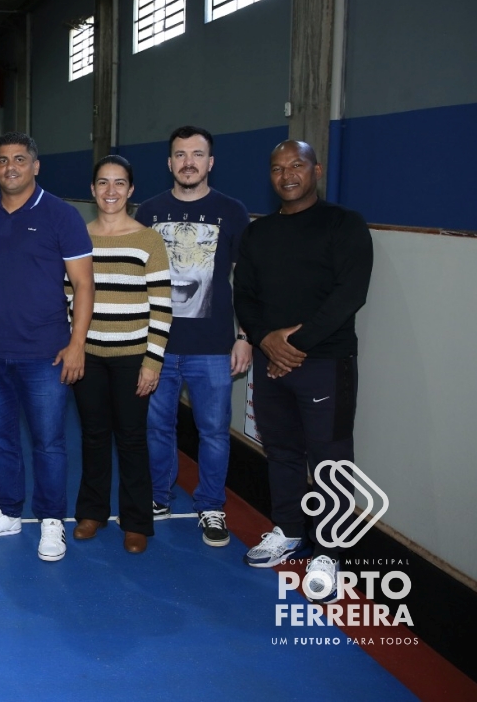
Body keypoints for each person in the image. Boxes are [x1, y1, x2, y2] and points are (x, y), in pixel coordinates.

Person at [234, 140, 373, 602]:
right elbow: (245, 298)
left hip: (325, 363)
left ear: (316, 170)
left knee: (330, 461)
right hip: (271, 362)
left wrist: (294, 343)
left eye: (297, 165)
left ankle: (329, 553)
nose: (287, 174)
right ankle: (289, 531)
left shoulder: (344, 224)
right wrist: (266, 341)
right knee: (282, 451)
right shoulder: (258, 233)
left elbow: (349, 294)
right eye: (277, 168)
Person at [0, 133, 94, 562]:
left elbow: (85, 285)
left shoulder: (61, 215)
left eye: (19, 159)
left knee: (49, 441)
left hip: (45, 352)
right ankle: (7, 511)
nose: (9, 167)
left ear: (36, 166)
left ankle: (52, 520)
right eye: (2, 161)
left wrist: (77, 344)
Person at [134, 126, 251, 547]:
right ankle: (159, 497)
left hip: (214, 347)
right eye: (180, 155)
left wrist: (245, 335)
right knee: (157, 428)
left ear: (210, 162)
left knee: (215, 431)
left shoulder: (232, 211)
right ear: (169, 163)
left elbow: (248, 280)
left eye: (197, 154)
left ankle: (211, 507)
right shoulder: (147, 211)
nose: (188, 162)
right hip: (158, 347)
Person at [71, 155, 172, 554]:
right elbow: (69, 296)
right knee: (93, 437)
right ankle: (92, 512)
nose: (110, 191)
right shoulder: (79, 237)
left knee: (131, 439)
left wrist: (153, 361)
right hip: (88, 356)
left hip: (133, 356)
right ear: (93, 190)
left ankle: (135, 523)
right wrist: (72, 346)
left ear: (131, 191)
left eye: (119, 183)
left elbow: (162, 306)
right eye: (102, 183)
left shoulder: (149, 240)